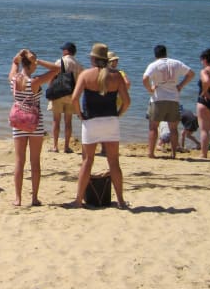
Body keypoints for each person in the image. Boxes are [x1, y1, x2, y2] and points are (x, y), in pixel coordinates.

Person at [71, 43, 130, 209]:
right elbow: (127, 101)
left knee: (87, 161)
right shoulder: (117, 76)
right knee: (114, 162)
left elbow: (75, 99)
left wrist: (80, 114)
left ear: (93, 59)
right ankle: (120, 201)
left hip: (91, 122)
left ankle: (78, 200)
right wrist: (118, 114)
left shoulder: (85, 75)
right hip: (110, 121)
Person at [7, 49, 60, 206]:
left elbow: (14, 62)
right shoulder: (35, 81)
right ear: (32, 64)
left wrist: (19, 57)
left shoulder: (13, 79)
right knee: (35, 161)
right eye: (35, 63)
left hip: (18, 122)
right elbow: (57, 69)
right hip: (34, 124)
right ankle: (34, 198)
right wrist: (39, 61)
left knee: (19, 161)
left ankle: (18, 198)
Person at [142, 44, 195, 160]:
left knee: (153, 127)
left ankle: (151, 153)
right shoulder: (176, 63)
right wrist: (181, 85)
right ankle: (174, 154)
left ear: (155, 55)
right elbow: (191, 74)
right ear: (166, 53)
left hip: (158, 99)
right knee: (173, 128)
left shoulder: (154, 65)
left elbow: (145, 78)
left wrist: (150, 90)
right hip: (173, 99)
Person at [49, 42, 85, 154]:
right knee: (68, 121)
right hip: (71, 95)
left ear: (66, 51)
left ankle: (55, 146)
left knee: (56, 120)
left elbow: (52, 76)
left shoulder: (60, 61)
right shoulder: (79, 65)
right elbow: (81, 82)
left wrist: (50, 89)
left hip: (58, 93)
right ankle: (66, 147)